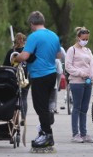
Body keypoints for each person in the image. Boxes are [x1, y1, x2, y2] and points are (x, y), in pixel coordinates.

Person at [13, 11, 61, 148]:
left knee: (40, 106)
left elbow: (24, 56)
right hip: (52, 74)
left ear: (32, 24)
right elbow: (58, 55)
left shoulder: (34, 36)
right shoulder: (54, 35)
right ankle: (44, 132)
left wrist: (15, 58)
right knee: (44, 106)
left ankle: (47, 135)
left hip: (40, 75)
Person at [65, 27, 93, 143]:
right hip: (76, 82)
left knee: (84, 108)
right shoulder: (71, 50)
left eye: (87, 39)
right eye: (83, 38)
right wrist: (81, 73)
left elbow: (92, 65)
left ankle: (84, 134)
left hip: (87, 82)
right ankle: (75, 134)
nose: (85, 40)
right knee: (77, 108)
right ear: (78, 38)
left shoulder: (88, 51)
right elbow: (68, 66)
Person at [3, 32, 30, 125]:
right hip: (25, 77)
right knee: (24, 98)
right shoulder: (27, 52)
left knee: (13, 98)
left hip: (12, 77)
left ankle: (13, 116)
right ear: (23, 40)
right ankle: (23, 118)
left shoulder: (11, 52)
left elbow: (5, 66)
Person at [48, 46, 67, 114]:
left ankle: (50, 106)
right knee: (55, 87)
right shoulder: (59, 48)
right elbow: (65, 59)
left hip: (48, 68)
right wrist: (65, 72)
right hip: (57, 68)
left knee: (52, 88)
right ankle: (54, 107)